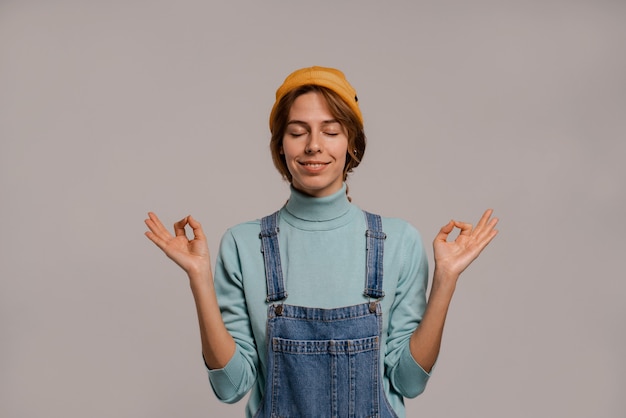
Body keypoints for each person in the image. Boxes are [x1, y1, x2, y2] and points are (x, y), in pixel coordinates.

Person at [144, 66, 499, 418]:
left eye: (330, 131)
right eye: (298, 132)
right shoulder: (243, 244)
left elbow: (408, 382)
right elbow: (231, 387)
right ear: (280, 146)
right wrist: (199, 279)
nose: (314, 146)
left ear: (352, 144)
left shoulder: (398, 242)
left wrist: (445, 281)